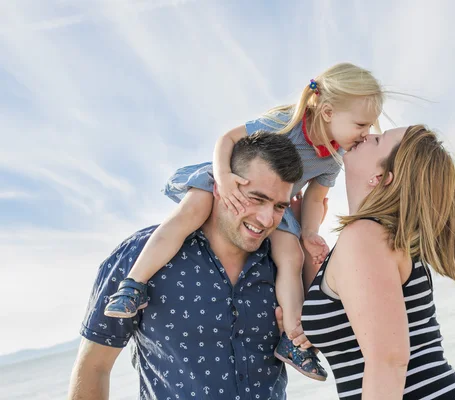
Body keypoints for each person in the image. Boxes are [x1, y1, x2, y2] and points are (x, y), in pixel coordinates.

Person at [103, 62, 384, 380]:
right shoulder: (285, 121)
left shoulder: (331, 158)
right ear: (329, 112)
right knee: (191, 212)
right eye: (362, 124)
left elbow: (315, 199)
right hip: (232, 177)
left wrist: (308, 234)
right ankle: (134, 286)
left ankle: (293, 340)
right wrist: (223, 177)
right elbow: (227, 139)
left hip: (275, 206)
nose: (366, 134)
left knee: (291, 257)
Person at [68, 132, 304, 400]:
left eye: (278, 206)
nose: (266, 218)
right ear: (220, 186)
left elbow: (318, 343)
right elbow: (94, 366)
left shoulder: (285, 268)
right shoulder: (140, 256)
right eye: (256, 199)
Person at [300, 126, 455, 399]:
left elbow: (388, 362)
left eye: (378, 140)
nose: (367, 134)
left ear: (381, 177)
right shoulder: (377, 237)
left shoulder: (365, 237)